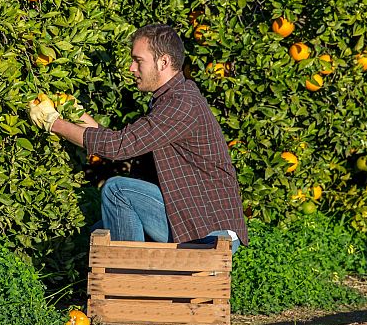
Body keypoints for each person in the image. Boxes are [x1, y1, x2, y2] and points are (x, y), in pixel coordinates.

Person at [27, 24, 247, 252]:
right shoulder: (169, 100)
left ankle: (129, 277)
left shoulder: (182, 103)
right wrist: (73, 111)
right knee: (99, 232)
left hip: (209, 230)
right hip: (191, 218)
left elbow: (119, 146)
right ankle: (130, 277)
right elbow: (121, 142)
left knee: (117, 190)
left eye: (138, 60)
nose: (131, 68)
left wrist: (53, 124)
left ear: (163, 62)